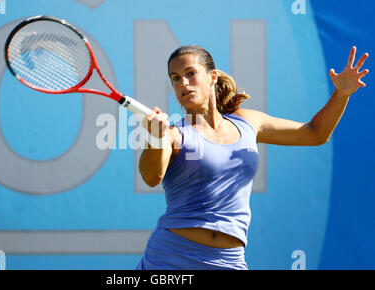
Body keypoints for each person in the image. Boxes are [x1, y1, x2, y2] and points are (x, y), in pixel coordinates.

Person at [135, 45, 369, 270]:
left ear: (212, 76)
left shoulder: (248, 122)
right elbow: (151, 177)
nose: (183, 83)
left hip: (229, 259)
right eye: (175, 78)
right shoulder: (174, 134)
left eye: (190, 73)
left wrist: (341, 94)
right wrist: (156, 137)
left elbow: (315, 133)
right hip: (171, 258)